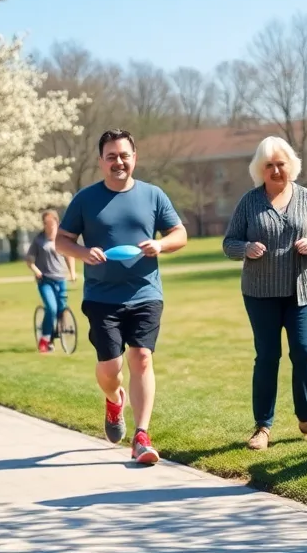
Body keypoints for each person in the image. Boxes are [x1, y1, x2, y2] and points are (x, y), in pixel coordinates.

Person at [56, 129, 187, 465]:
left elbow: (179, 234)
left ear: (134, 158)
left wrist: (160, 244)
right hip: (102, 297)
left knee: (142, 357)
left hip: (145, 292)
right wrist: (83, 253)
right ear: (101, 161)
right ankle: (114, 400)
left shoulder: (153, 195)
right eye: (111, 156)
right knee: (110, 367)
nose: (118, 162)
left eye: (124, 155)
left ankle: (141, 436)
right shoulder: (85, 199)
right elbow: (62, 240)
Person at [222, 136, 307, 451]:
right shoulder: (249, 202)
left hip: (303, 292)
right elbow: (229, 243)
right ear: (260, 169)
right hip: (260, 293)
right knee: (268, 357)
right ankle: (262, 427)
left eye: (280, 164)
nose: (275, 170)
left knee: (304, 353)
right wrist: (245, 248)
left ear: (290, 166)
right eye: (268, 165)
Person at [27, 209, 77, 353]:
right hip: (45, 280)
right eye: (46, 223)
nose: (49, 225)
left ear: (56, 221)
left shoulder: (62, 239)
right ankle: (45, 338)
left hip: (60, 279)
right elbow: (29, 260)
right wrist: (36, 271)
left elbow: (69, 255)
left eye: (51, 222)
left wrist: (72, 273)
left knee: (61, 309)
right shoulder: (39, 240)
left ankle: (58, 331)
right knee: (51, 308)